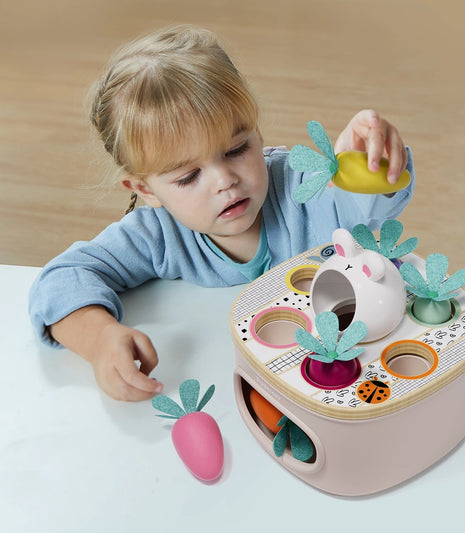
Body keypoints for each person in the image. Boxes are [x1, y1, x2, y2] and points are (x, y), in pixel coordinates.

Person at [29, 25, 415, 401]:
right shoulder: (156, 235)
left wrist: (370, 166)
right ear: (145, 189)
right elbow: (60, 281)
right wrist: (99, 339)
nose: (224, 181)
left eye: (235, 150)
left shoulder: (303, 186)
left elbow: (367, 206)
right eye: (188, 176)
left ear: (257, 134)